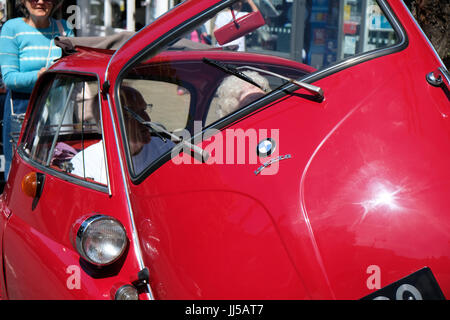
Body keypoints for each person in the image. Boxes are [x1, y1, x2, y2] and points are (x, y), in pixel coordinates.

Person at [0, 0, 74, 177]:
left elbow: (73, 69)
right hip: (22, 111)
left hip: (58, 111)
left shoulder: (64, 29)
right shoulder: (12, 29)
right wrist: (41, 77)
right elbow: (9, 79)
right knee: (18, 173)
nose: (40, 1)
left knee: (57, 168)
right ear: (23, 1)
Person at [70, 86, 175, 185]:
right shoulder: (85, 165)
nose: (146, 120)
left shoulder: (166, 149)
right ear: (108, 124)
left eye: (143, 110)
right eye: (132, 114)